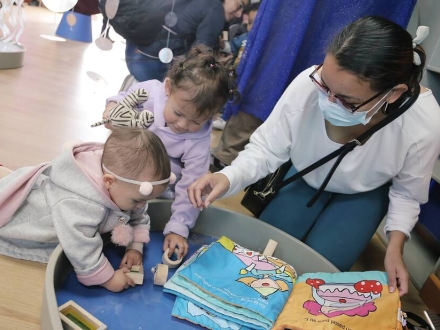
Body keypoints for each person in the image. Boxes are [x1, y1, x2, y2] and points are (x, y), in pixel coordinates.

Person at [188, 16, 440, 296]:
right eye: (324, 85)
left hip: (366, 192)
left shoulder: (424, 124)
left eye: (347, 100)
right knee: (262, 260)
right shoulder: (308, 84)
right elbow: (267, 149)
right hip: (306, 174)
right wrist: (227, 176)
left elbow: (407, 194)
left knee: (319, 277)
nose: (328, 101)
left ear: (393, 94)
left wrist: (395, 248)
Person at [103, 45, 240, 260]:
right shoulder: (149, 92)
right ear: (168, 88)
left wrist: (178, 227)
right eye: (178, 113)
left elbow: (191, 185)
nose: (183, 125)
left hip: (159, 186)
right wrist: (111, 111)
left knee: (156, 203)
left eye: (196, 121)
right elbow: (121, 99)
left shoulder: (199, 141)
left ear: (213, 117)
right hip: (125, 160)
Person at [0, 129, 172, 292]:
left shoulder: (127, 188)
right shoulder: (82, 204)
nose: (142, 205)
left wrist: (135, 246)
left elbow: (138, 214)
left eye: (146, 200)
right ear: (109, 182)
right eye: (138, 200)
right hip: (28, 220)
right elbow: (79, 246)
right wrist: (108, 279)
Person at [124, 0, 249, 82]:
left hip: (136, 50)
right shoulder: (216, 10)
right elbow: (200, 55)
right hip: (152, 63)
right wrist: (216, 64)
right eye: (240, 5)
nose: (239, 14)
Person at [213, 2, 260, 131]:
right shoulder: (244, 38)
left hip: (249, 76)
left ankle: (230, 118)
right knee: (228, 92)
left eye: (256, 23)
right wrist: (223, 45)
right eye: (250, 23)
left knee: (238, 97)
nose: (251, 27)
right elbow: (231, 48)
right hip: (234, 72)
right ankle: (223, 116)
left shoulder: (264, 43)